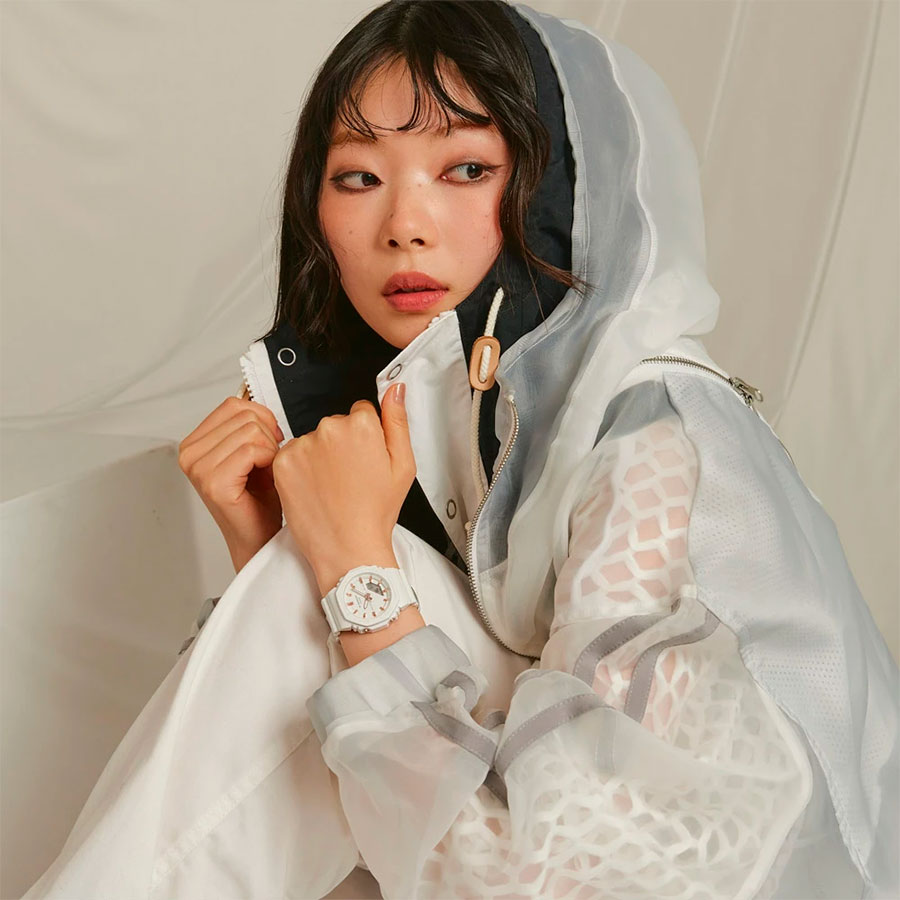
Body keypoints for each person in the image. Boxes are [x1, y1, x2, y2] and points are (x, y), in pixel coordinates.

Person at [24, 1, 898, 898]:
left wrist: (349, 572)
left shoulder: (654, 443)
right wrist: (277, 544)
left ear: (560, 195)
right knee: (314, 591)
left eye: (468, 169)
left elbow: (558, 875)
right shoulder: (467, 419)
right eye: (358, 178)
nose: (404, 223)